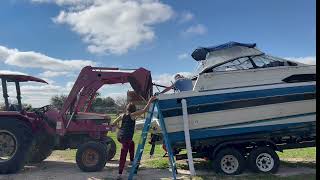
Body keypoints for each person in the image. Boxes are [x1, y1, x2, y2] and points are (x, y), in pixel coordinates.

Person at [112, 96, 157, 179]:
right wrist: (150, 100)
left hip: (120, 136)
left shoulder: (122, 115)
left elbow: (114, 122)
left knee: (132, 143)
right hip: (126, 138)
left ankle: (132, 161)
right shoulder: (132, 115)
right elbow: (144, 110)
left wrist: (119, 127)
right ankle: (120, 174)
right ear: (133, 110)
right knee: (123, 155)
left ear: (127, 108)